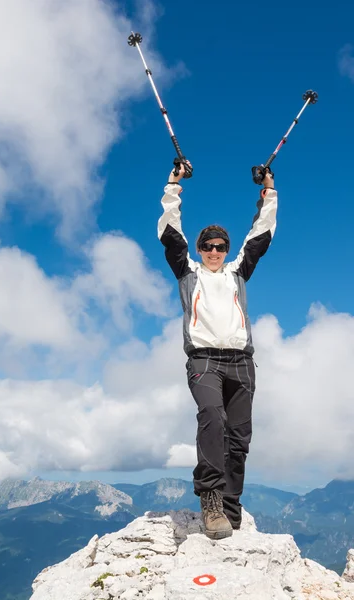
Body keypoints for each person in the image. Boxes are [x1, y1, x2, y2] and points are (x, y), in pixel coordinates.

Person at [157, 161, 277, 539]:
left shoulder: (237, 271)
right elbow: (169, 233)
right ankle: (209, 499)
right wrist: (173, 186)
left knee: (239, 437)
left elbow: (262, 234)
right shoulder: (188, 273)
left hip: (242, 363)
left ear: (227, 250)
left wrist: (269, 193)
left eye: (219, 246)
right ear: (199, 249)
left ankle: (230, 504)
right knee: (212, 415)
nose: (213, 250)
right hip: (204, 360)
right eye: (207, 245)